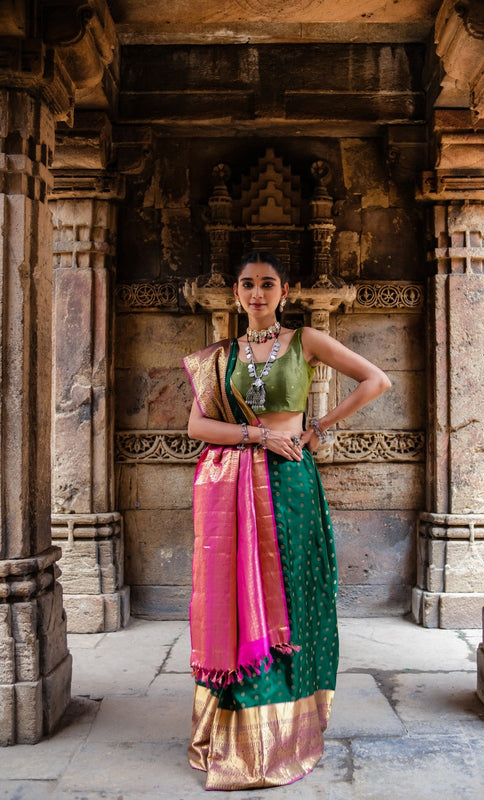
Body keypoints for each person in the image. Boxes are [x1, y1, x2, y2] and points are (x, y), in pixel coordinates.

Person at [182, 251, 391, 791]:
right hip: (234, 490)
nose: (257, 293)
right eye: (248, 285)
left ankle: (290, 729)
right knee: (237, 598)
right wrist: (258, 435)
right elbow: (196, 426)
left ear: (285, 290)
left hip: (291, 487)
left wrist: (317, 425)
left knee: (294, 597)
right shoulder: (220, 356)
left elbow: (376, 380)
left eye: (267, 284)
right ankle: (241, 727)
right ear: (234, 293)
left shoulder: (305, 342)